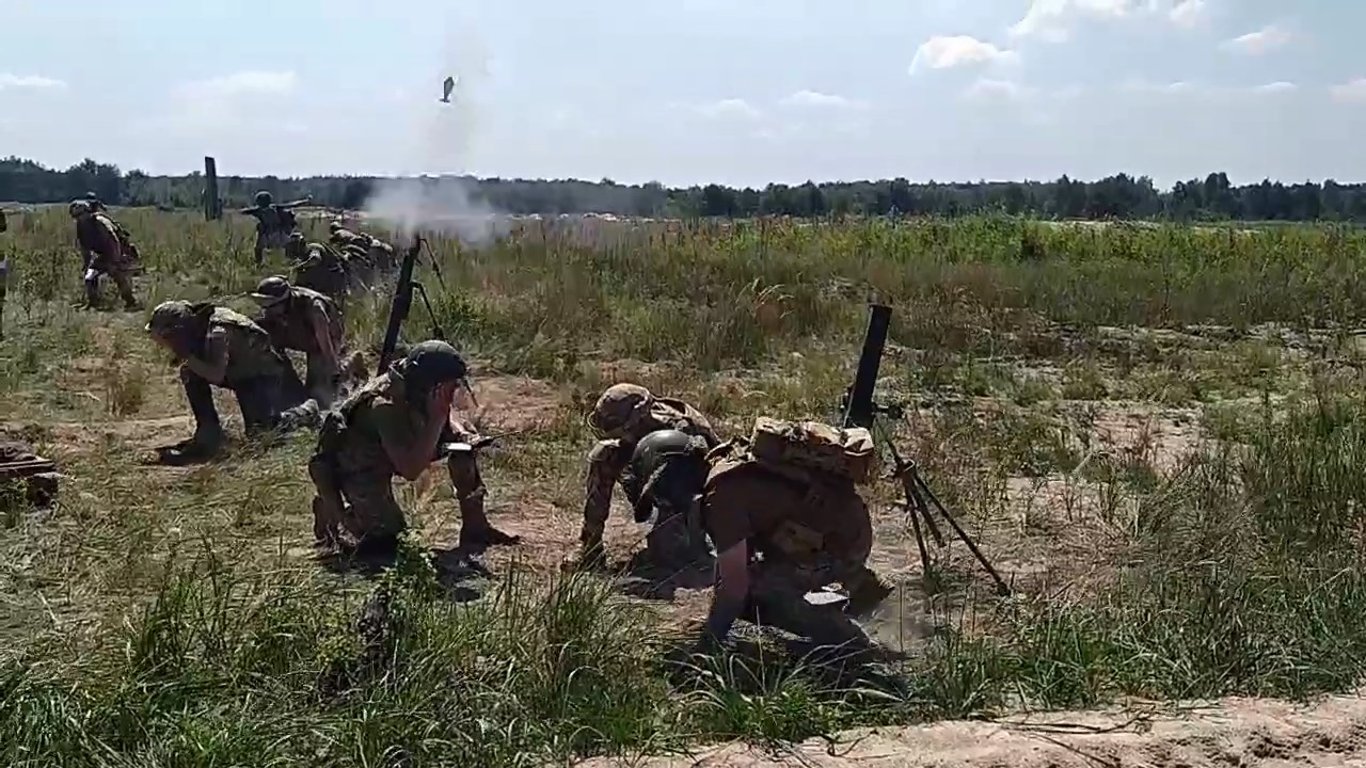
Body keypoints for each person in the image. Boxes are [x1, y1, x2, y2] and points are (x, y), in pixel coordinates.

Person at [627, 426, 893, 655]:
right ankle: (857, 582)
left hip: (842, 541)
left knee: (757, 594)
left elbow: (733, 587)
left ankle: (851, 644)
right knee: (749, 584)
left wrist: (708, 643)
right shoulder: (724, 470)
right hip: (835, 528)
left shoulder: (721, 499)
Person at [308, 340, 522, 556]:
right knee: (388, 545)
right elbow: (411, 470)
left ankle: (476, 527)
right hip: (361, 463)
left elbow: (445, 408)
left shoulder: (419, 380)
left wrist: (462, 434)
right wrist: (436, 419)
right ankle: (330, 508)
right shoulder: (385, 405)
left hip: (399, 444)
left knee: (463, 450)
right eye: (448, 388)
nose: (454, 392)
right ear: (431, 387)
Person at [145, 300, 317, 463]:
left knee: (262, 433)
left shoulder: (217, 333)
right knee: (189, 372)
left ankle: (306, 412)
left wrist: (187, 357)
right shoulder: (196, 329)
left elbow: (216, 374)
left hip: (260, 374)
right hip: (237, 371)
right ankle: (209, 434)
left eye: (168, 337)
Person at [569, 383, 719, 568]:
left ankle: (690, 539)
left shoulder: (683, 435)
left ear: (637, 421)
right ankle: (590, 546)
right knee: (603, 456)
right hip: (648, 465)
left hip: (688, 484)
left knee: (667, 557)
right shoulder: (636, 432)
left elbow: (712, 478)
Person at [249, 275, 350, 408]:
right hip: (296, 332)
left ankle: (349, 370)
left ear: (282, 301)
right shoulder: (274, 312)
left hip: (322, 340)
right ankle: (292, 391)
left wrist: (332, 367)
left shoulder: (314, 307)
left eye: (271, 305)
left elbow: (325, 341)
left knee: (319, 392)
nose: (267, 310)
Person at [70, 199, 139, 310]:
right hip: (104, 254)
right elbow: (85, 248)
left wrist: (115, 261)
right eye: (76, 216)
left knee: (117, 274)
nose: (78, 218)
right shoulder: (81, 227)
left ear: (87, 212)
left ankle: (130, 302)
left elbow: (114, 241)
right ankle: (93, 303)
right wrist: (87, 264)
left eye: (80, 215)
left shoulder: (100, 222)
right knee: (90, 277)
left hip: (121, 252)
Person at [240, 190, 312, 265]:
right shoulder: (275, 208)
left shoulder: (257, 210)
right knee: (297, 240)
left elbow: (244, 211)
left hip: (267, 237)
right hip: (280, 235)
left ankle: (258, 263)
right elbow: (292, 205)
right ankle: (296, 260)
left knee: (258, 248)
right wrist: (306, 201)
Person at [285, 232, 351, 304]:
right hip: (323, 279)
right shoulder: (303, 255)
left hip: (332, 280)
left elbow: (316, 259)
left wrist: (300, 266)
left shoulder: (314, 248)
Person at [329, 220, 396, 272]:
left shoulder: (338, 233)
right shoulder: (346, 231)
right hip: (360, 241)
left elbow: (331, 243)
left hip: (354, 243)